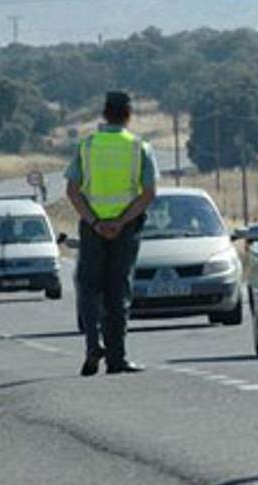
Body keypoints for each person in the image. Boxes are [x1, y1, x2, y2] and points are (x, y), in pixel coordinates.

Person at [65, 91, 159, 376]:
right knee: (118, 291)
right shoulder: (139, 147)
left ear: (104, 114)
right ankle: (117, 357)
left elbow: (72, 190)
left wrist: (95, 222)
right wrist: (120, 222)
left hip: (93, 228)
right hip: (126, 228)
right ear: (128, 115)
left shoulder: (87, 146)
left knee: (89, 288)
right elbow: (149, 193)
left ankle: (94, 345)